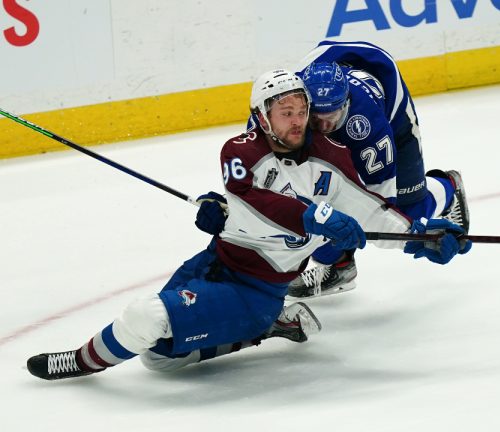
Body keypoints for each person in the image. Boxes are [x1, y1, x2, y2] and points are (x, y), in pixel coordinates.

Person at [26, 69, 471, 381]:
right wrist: (217, 205)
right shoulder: (240, 150)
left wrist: (423, 236)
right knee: (158, 359)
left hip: (256, 288)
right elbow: (253, 200)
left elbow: (375, 214)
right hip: (217, 261)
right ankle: (271, 326)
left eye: (301, 110)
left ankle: (80, 362)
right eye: (285, 112)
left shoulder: (331, 161)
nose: (297, 121)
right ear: (263, 116)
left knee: (145, 317)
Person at [200, 41, 470, 299]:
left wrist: (416, 236)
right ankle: (340, 267)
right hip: (331, 76)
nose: (324, 125)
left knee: (408, 209)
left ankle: (447, 187)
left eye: (333, 117)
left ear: (346, 105)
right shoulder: (280, 112)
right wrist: (232, 206)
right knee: (309, 211)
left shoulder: (369, 129)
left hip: (391, 116)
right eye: (315, 117)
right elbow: (262, 183)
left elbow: (379, 205)